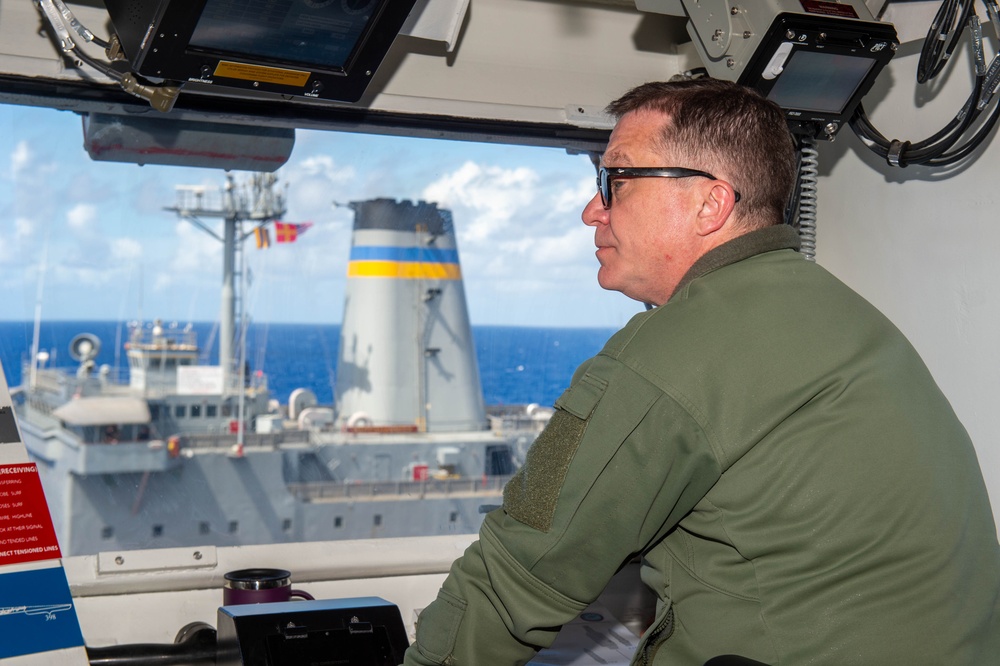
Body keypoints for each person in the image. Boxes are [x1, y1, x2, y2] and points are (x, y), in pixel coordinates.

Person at [402, 79, 1000, 665]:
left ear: (710, 203)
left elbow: (514, 578)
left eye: (616, 180)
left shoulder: (669, 354)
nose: (592, 211)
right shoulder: (847, 318)